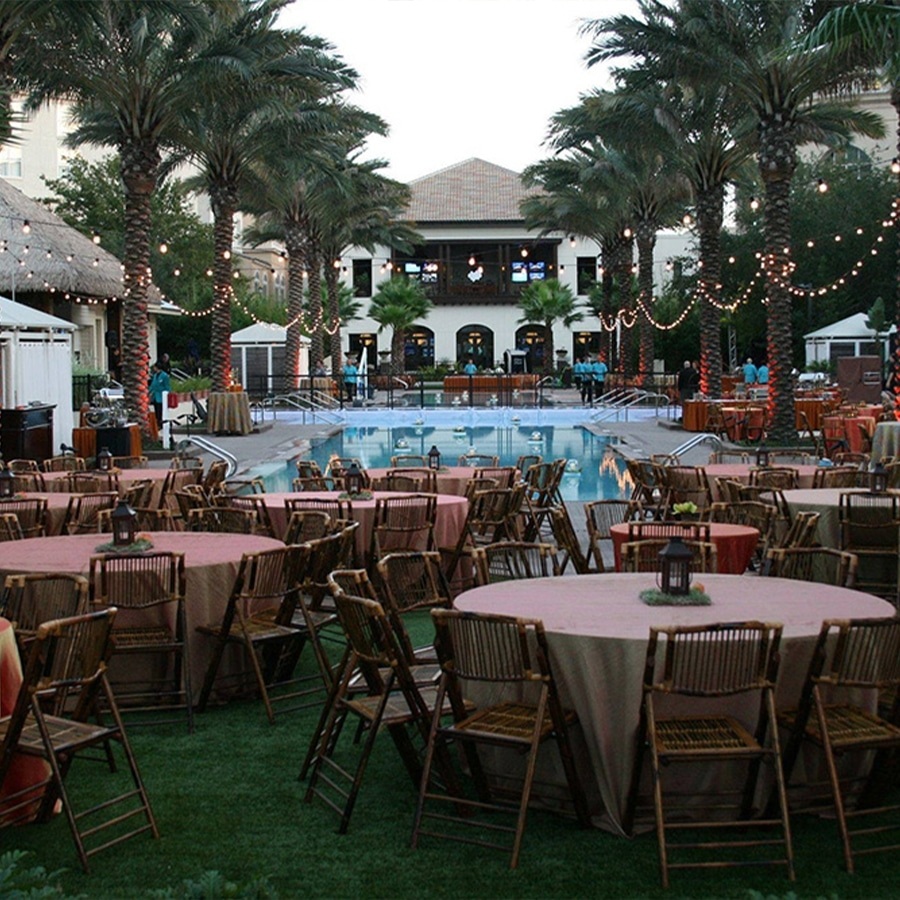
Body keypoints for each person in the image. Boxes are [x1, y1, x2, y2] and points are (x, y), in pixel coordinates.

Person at [148, 360, 170, 429]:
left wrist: (167, 394)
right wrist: (149, 392)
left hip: (161, 396)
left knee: (160, 411)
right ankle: (158, 423)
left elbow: (167, 387)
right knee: (156, 411)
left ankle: (161, 424)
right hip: (155, 396)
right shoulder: (155, 376)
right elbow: (153, 385)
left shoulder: (164, 376)